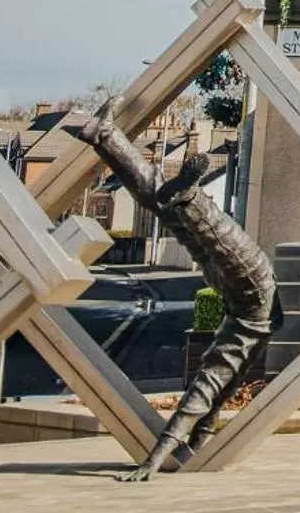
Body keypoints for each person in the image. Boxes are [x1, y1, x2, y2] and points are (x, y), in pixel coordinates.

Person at [72, 99, 280, 480]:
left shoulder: (237, 348)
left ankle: (183, 194)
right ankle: (107, 139)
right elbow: (210, 397)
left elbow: (203, 394)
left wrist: (156, 458)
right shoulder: (238, 353)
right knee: (179, 212)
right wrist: (196, 440)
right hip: (246, 297)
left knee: (209, 230)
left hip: (251, 296)